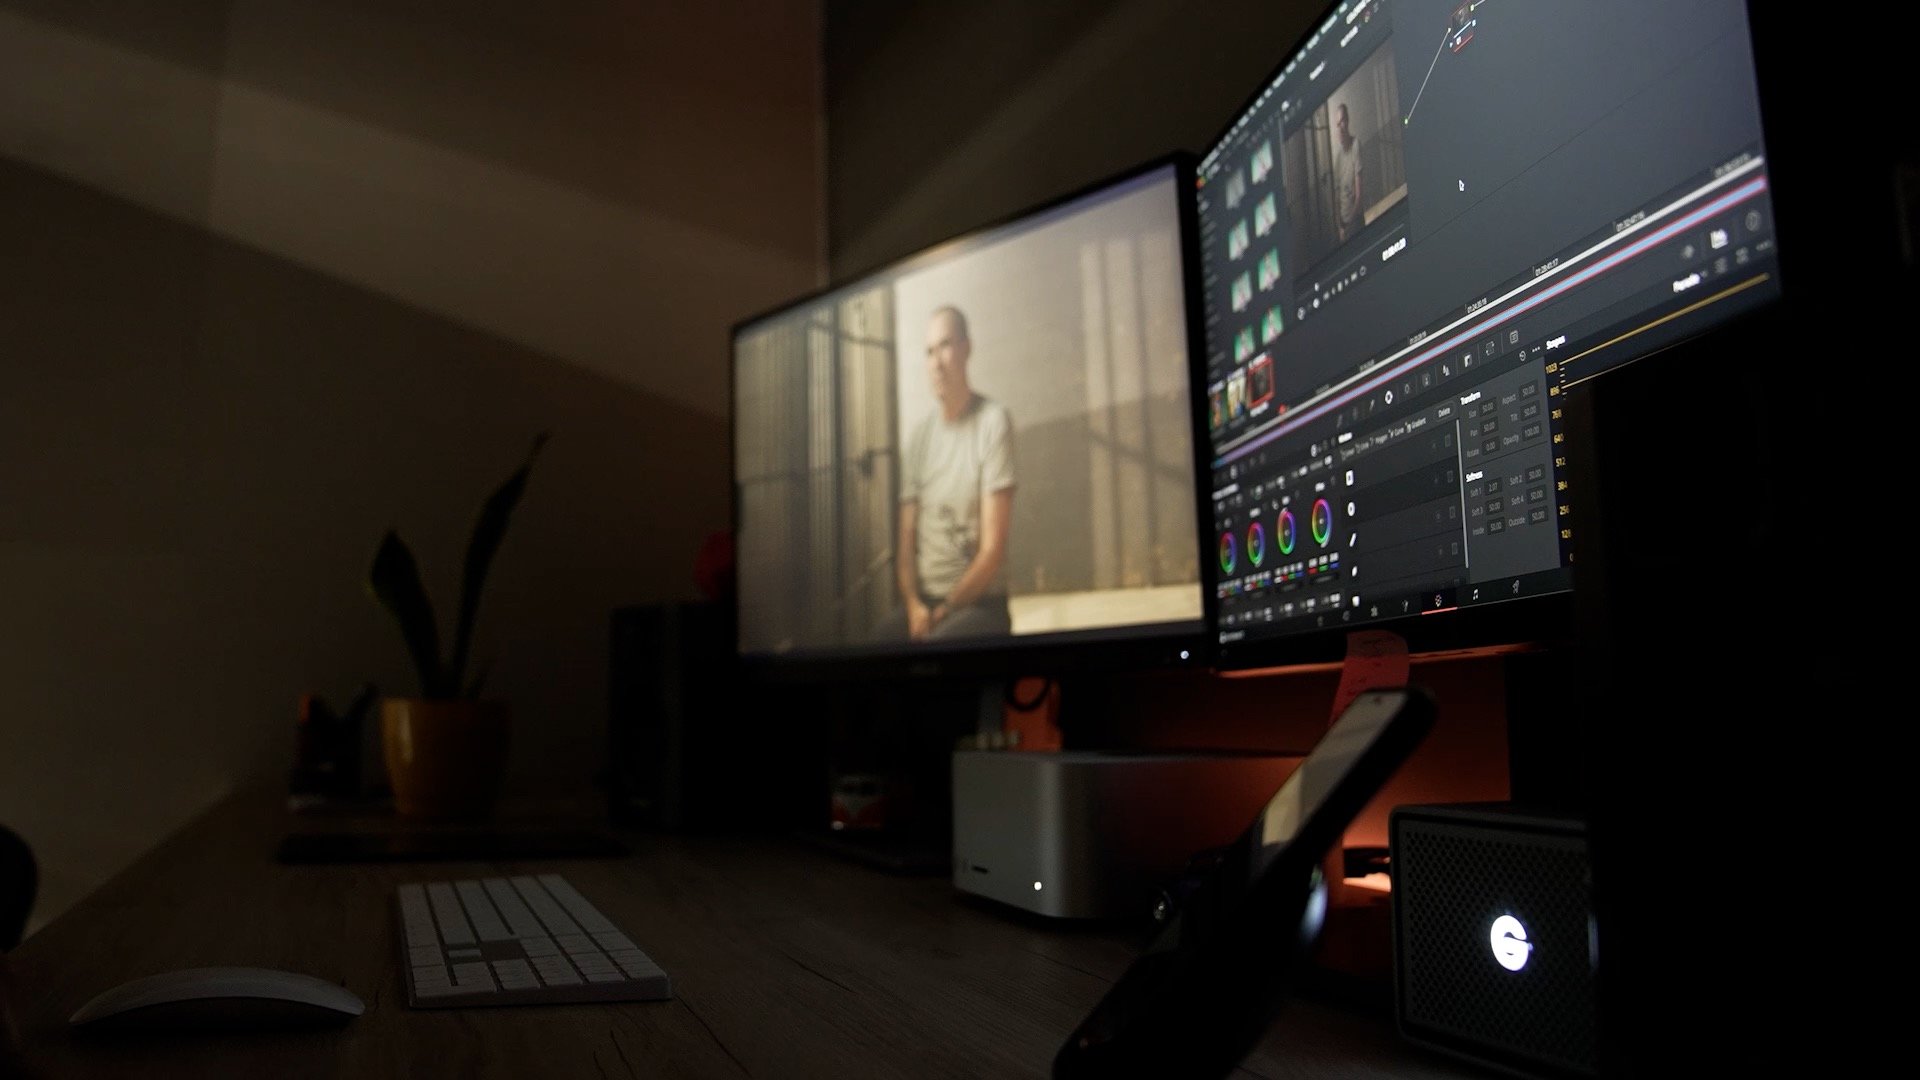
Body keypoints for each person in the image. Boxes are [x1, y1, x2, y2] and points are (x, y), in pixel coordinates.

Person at [886, 305, 1015, 642]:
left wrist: (944, 610)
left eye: (945, 346)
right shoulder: (918, 439)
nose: (937, 362)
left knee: (935, 653)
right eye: (929, 351)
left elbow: (991, 551)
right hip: (924, 605)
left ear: (966, 348)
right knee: (873, 650)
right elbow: (905, 547)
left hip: (980, 604)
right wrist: (914, 605)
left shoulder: (992, 422)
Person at [1331, 101, 1363, 243]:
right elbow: (1336, 199)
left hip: (1355, 220)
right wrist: (1340, 227)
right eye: (1337, 124)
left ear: (1348, 121)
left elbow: (1359, 195)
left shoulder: (1356, 145)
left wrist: (1349, 225)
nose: (1340, 127)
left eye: (1343, 121)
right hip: (1344, 226)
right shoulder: (1337, 158)